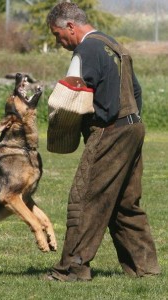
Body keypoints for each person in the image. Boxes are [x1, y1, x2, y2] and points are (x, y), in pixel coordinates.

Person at [45, 2, 160, 281]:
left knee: (85, 200)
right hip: (133, 127)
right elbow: (136, 90)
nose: (59, 42)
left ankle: (71, 270)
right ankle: (144, 268)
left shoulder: (85, 50)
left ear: (71, 26)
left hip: (109, 132)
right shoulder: (113, 44)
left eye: (58, 35)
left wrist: (63, 126)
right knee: (125, 203)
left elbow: (71, 96)